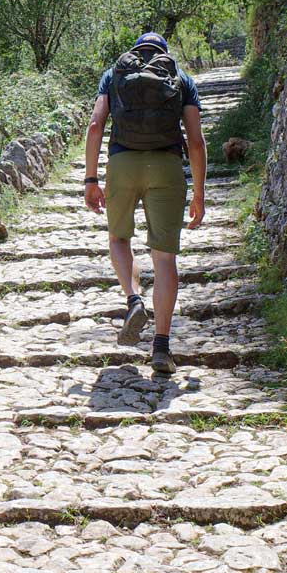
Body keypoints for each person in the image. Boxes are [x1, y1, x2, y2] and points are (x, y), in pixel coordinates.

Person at [81, 32, 206, 375]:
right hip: (166, 166)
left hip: (122, 163)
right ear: (163, 54)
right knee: (164, 258)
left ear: (135, 52)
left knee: (119, 239)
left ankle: (133, 299)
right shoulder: (181, 79)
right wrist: (198, 192)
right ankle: (162, 348)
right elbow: (195, 141)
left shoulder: (114, 75)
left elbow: (95, 126)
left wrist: (91, 179)